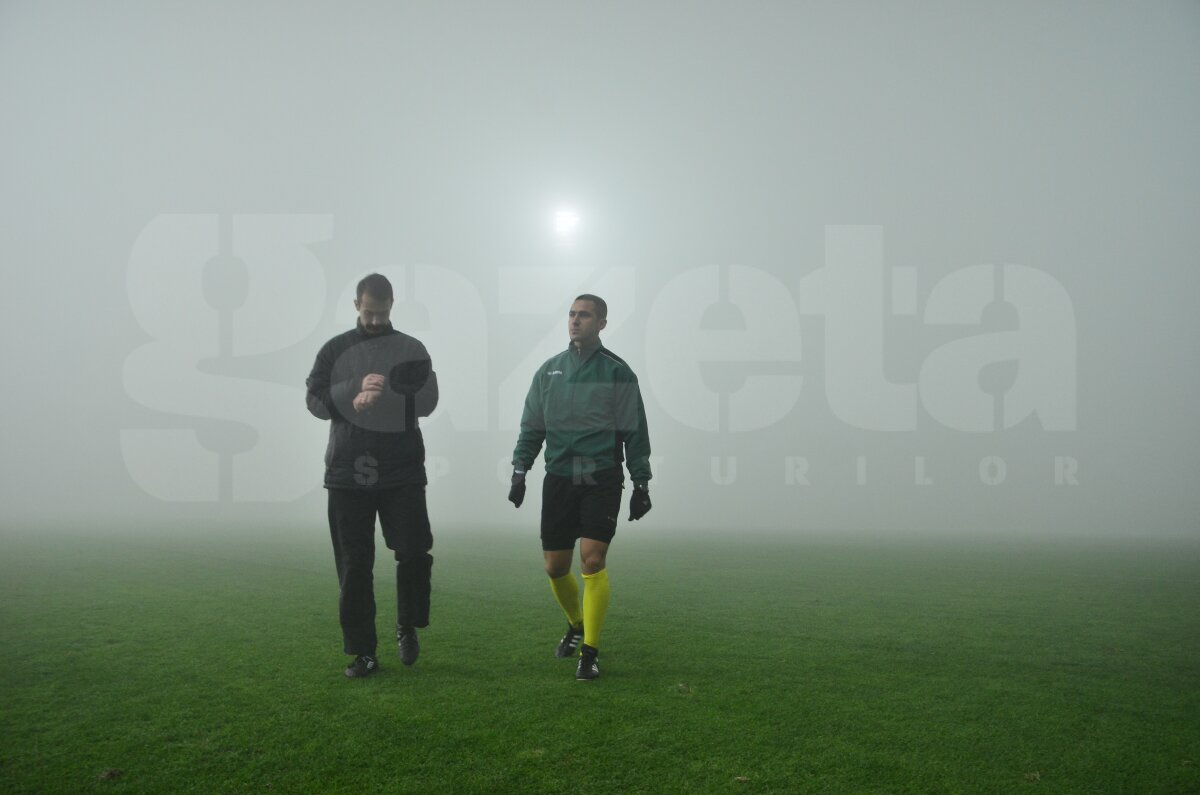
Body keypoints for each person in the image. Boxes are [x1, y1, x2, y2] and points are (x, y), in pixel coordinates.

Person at [508, 293, 653, 681]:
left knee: (591, 561)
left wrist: (641, 482)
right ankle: (575, 623)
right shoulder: (549, 371)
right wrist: (520, 470)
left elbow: (634, 430)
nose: (575, 321)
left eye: (584, 316)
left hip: (601, 477)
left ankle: (589, 651)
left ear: (602, 323)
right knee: (556, 567)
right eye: (572, 315)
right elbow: (532, 427)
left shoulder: (617, 372)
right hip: (558, 478)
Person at [306, 273, 439, 678]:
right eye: (369, 312)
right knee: (354, 565)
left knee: (414, 551)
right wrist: (352, 392)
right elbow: (315, 400)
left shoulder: (411, 349)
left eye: (382, 313)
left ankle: (407, 624)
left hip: (401, 470)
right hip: (348, 473)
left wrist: (387, 394)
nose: (376, 320)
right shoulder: (334, 350)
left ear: (392, 305)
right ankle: (363, 652)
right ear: (356, 306)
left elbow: (429, 401)